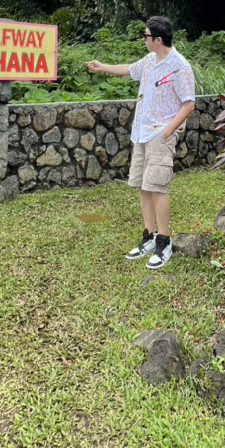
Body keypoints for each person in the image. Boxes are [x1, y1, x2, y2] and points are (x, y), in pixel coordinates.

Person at [86, 16, 196, 269]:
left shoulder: (180, 66)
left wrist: (168, 131)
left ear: (158, 40)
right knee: (144, 186)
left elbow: (189, 103)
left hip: (160, 133)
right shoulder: (149, 60)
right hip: (141, 132)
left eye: (146, 36)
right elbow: (129, 68)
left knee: (158, 187)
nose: (144, 40)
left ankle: (164, 241)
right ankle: (149, 236)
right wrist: (103, 66)